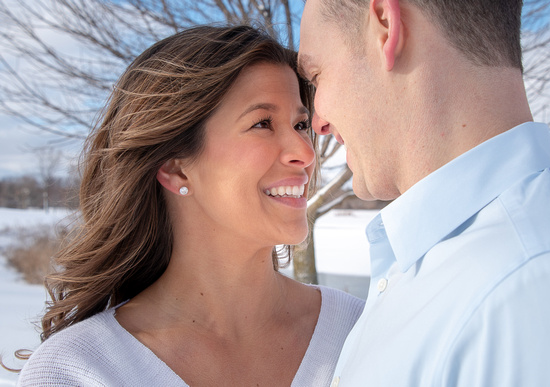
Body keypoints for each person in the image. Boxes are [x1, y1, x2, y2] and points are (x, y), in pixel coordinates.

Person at [16, 25, 364, 386]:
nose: (306, 153)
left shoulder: (359, 331)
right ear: (175, 168)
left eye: (300, 124)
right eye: (262, 123)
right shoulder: (77, 371)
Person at [298, 0, 550, 385]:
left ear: (385, 26)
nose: (319, 121)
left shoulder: (527, 296)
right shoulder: (441, 270)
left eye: (316, 77)